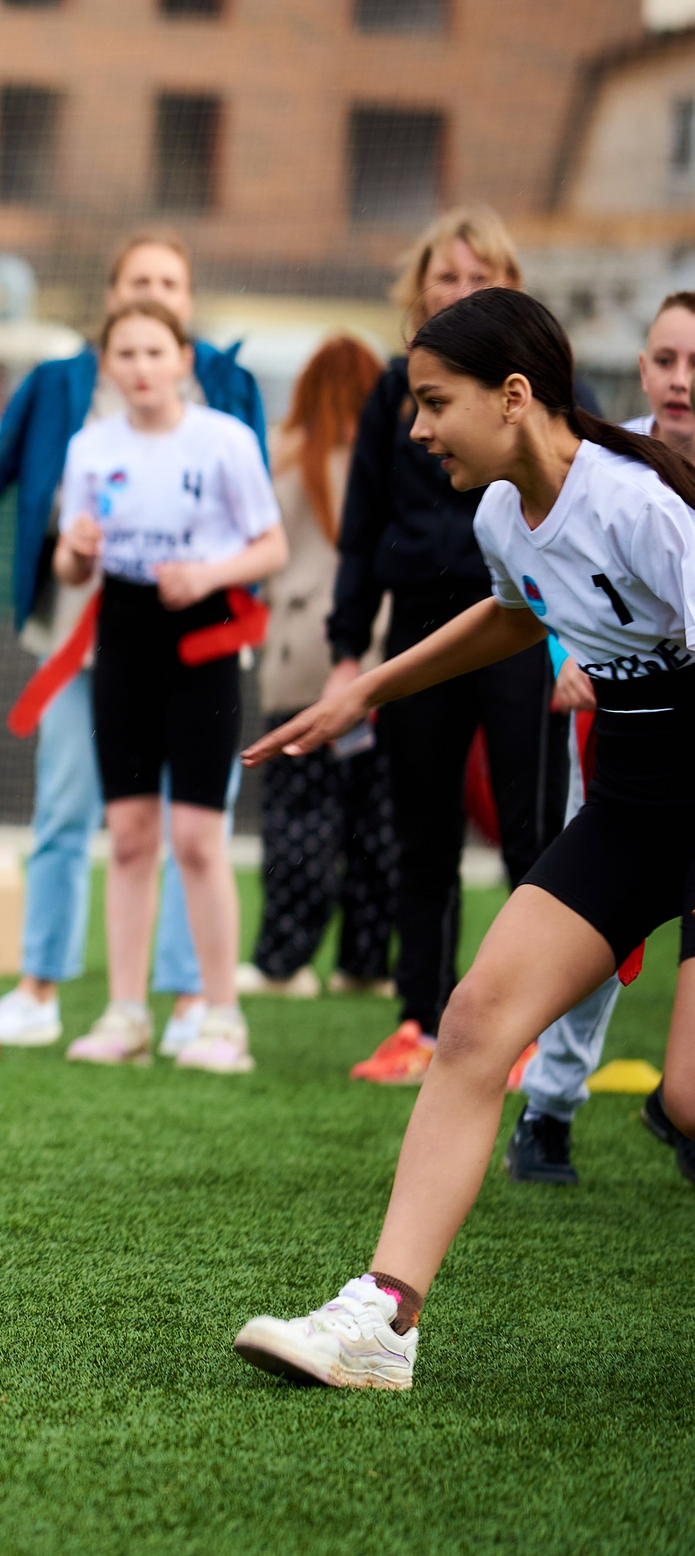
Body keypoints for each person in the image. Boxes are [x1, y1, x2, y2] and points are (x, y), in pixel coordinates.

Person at [236, 288, 695, 1391]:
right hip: (632, 798)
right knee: (476, 1016)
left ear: (515, 395)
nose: (415, 425)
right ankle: (379, 1323)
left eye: (433, 400)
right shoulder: (502, 511)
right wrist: (364, 693)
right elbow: (515, 607)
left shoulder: (642, 507)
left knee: (686, 1098)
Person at [0, 230, 265, 1054]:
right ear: (111, 301)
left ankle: (187, 1003)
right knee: (71, 807)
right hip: (85, 632)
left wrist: (222, 589)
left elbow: (257, 513)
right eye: (139, 279)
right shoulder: (63, 391)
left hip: (201, 635)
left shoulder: (227, 395)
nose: (156, 292)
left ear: (187, 310)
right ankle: (41, 986)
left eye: (171, 281)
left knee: (192, 831)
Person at [324, 207, 580, 1086]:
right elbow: (358, 533)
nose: (460, 287)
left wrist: (574, 645)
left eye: (480, 274)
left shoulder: (541, 405)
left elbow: (577, 532)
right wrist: (347, 651)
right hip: (418, 636)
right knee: (421, 834)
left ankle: (532, 1033)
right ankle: (418, 1020)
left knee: (530, 832)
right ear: (419, 287)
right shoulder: (394, 394)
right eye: (446, 274)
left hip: (523, 633)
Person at [50, 301, 286, 1073]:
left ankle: (222, 1018)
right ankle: (126, 1014)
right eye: (126, 353)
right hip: (122, 635)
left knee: (196, 837)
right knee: (127, 838)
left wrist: (208, 575)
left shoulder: (225, 441)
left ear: (184, 357)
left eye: (156, 351)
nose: (142, 367)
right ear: (108, 364)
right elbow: (69, 563)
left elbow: (271, 545)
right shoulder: (90, 447)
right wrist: (75, 550)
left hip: (203, 639)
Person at [504, 291, 695, 1183]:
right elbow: (544, 593)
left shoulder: (644, 499)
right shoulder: (598, 466)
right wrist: (564, 658)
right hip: (621, 751)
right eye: (664, 359)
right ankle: (549, 1106)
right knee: (591, 931)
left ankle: (682, 1099)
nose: (679, 380)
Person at [243, 336, 397, 1000]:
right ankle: (364, 962)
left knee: (299, 821)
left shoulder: (286, 459)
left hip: (298, 659)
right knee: (375, 826)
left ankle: (284, 961)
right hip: (383, 660)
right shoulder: (395, 459)